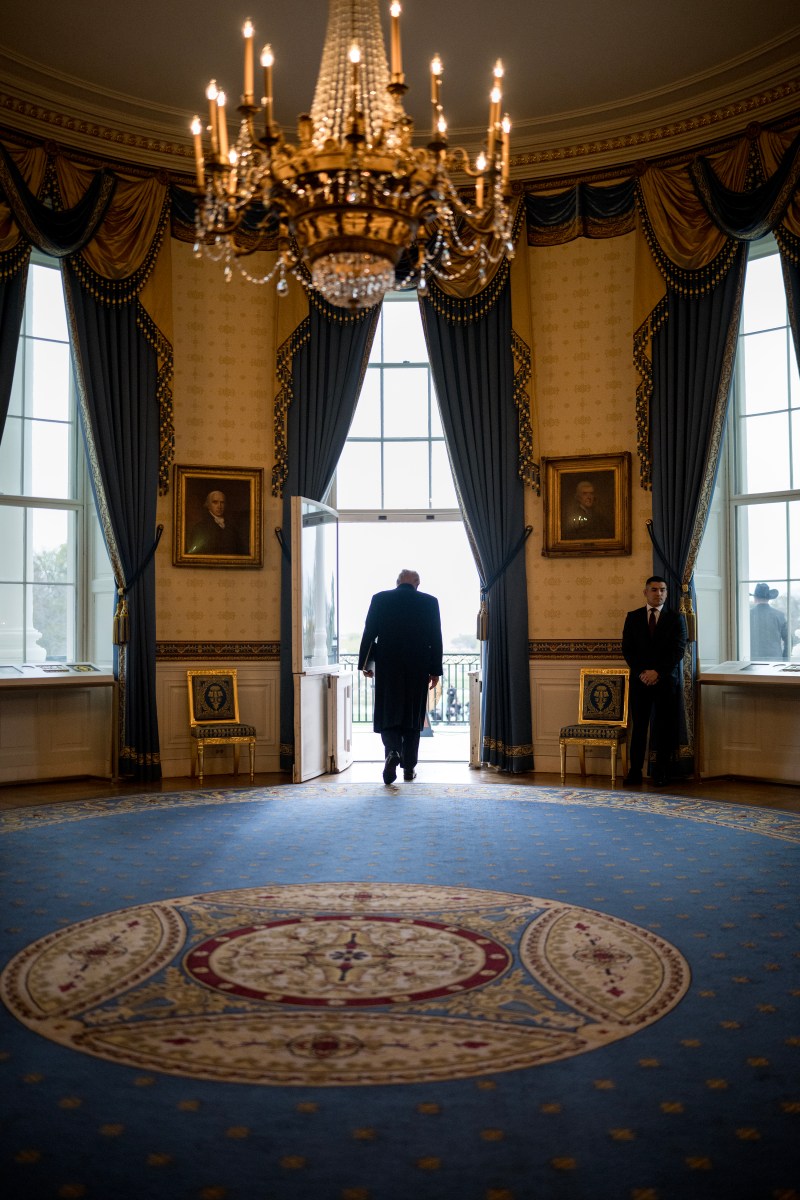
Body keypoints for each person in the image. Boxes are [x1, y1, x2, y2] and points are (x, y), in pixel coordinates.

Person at [358, 568, 443, 784]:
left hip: (388, 666)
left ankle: (392, 752)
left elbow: (369, 633)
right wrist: (435, 671)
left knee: (390, 713)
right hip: (418, 666)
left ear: (397, 582)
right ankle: (408, 768)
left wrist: (365, 665)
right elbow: (436, 637)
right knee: (412, 717)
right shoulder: (430, 602)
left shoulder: (380, 599)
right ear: (417, 583)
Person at [621, 576, 687, 787]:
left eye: (663, 590)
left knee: (664, 728)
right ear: (645, 592)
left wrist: (657, 672)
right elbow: (628, 649)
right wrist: (643, 672)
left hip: (666, 682)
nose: (659, 593)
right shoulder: (633, 617)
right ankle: (635, 772)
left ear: (666, 593)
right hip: (640, 682)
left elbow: (678, 651)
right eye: (654, 589)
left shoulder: (675, 618)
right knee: (639, 727)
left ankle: (661, 772)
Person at [186, 490, 246, 555]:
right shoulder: (200, 527)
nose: (219, 506)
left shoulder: (232, 526)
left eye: (222, 502)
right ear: (208, 505)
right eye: (215, 502)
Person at [749, 582, 788, 660]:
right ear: (769, 598)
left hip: (752, 660)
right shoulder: (780, 615)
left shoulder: (747, 615)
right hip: (776, 660)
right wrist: (785, 658)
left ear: (755, 598)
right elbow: (788, 640)